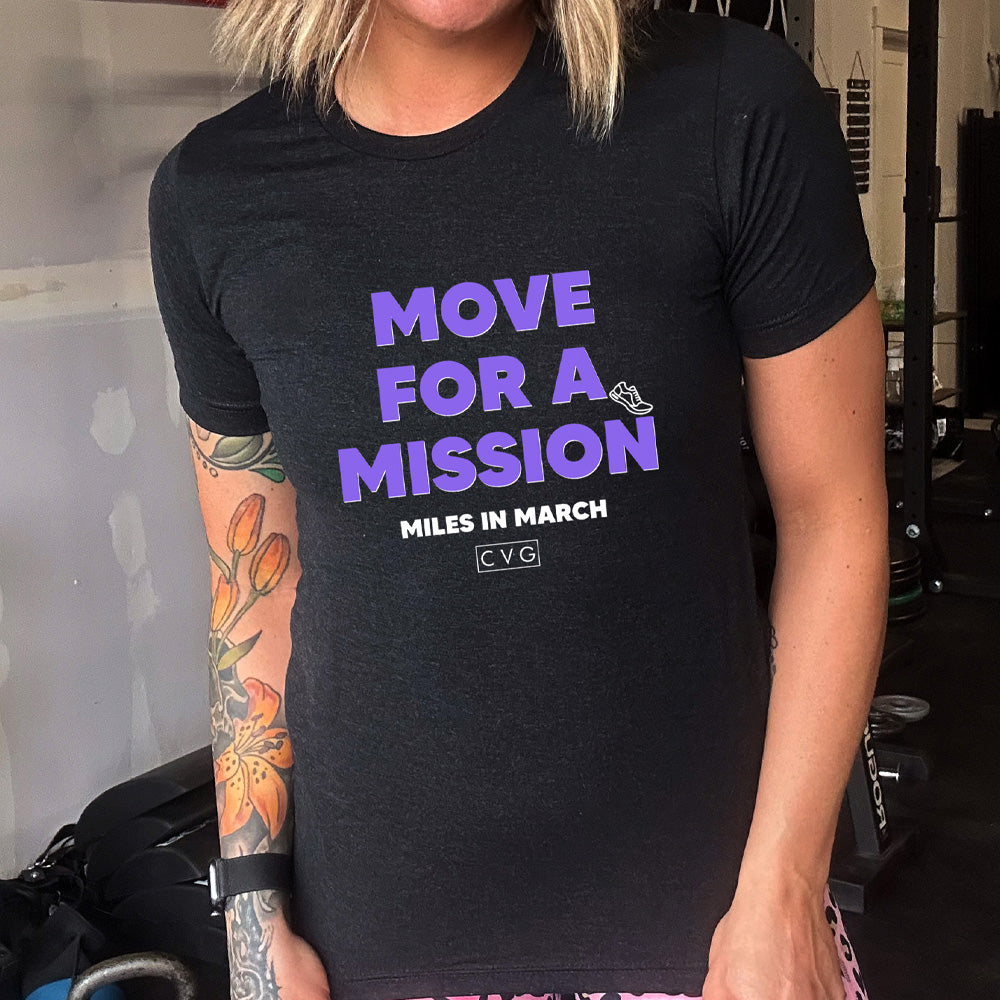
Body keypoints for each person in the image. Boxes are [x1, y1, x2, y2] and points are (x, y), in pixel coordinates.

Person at [148, 1, 889, 998]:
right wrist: (251, 914)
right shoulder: (214, 193)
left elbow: (832, 513)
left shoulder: (730, 104)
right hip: (371, 948)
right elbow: (253, 583)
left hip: (716, 939)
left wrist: (785, 887)